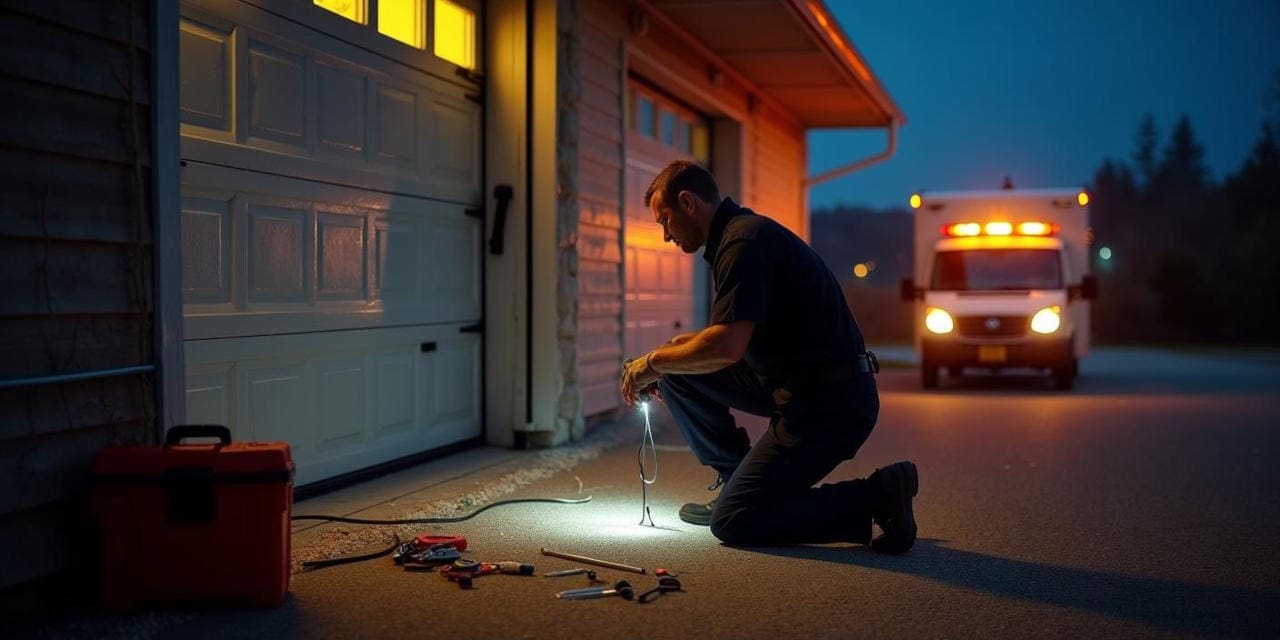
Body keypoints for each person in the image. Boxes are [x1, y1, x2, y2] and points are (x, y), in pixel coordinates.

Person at [620, 160, 918, 553]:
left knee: (734, 520)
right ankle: (736, 476)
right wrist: (668, 356)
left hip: (829, 405)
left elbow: (725, 347)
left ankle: (876, 494)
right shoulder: (739, 236)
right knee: (678, 371)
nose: (665, 236)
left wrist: (652, 362)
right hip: (795, 386)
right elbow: (731, 334)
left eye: (664, 221)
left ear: (687, 203)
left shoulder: (744, 243)